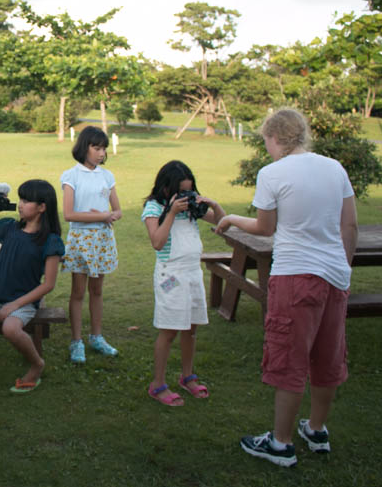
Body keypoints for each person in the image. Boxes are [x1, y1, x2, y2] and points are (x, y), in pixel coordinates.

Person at [215, 108, 358, 468]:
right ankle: (317, 428)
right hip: (335, 278)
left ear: (275, 137)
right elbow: (350, 226)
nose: (266, 147)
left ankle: (280, 444)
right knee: (328, 355)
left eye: (266, 140)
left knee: (290, 358)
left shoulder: (272, 173)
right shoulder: (334, 168)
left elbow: (265, 227)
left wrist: (230, 219)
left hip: (294, 277)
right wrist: (343, 266)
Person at [0, 179, 64, 392]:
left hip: (22, 300)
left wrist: (14, 305)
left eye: (26, 201)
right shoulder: (10, 227)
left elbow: (49, 285)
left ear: (42, 207)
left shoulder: (50, 241)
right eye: (20, 199)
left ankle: (37, 364)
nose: (20, 204)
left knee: (10, 329)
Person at [141, 160, 224, 406]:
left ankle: (187, 376)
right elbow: (157, 241)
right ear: (166, 188)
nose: (185, 196)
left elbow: (221, 224)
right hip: (171, 277)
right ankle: (158, 384)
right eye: (181, 191)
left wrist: (214, 205)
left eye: (189, 190)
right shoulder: (154, 207)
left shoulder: (191, 207)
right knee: (169, 330)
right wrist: (172, 212)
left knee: (191, 328)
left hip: (192, 273)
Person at [60, 126, 122, 363]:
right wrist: (102, 216)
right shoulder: (71, 176)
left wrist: (110, 215)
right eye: (96, 148)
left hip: (103, 240)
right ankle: (77, 342)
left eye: (104, 148)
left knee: (97, 291)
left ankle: (97, 337)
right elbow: (69, 214)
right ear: (84, 147)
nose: (101, 153)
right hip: (80, 240)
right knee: (78, 292)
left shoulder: (107, 176)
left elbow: (117, 211)